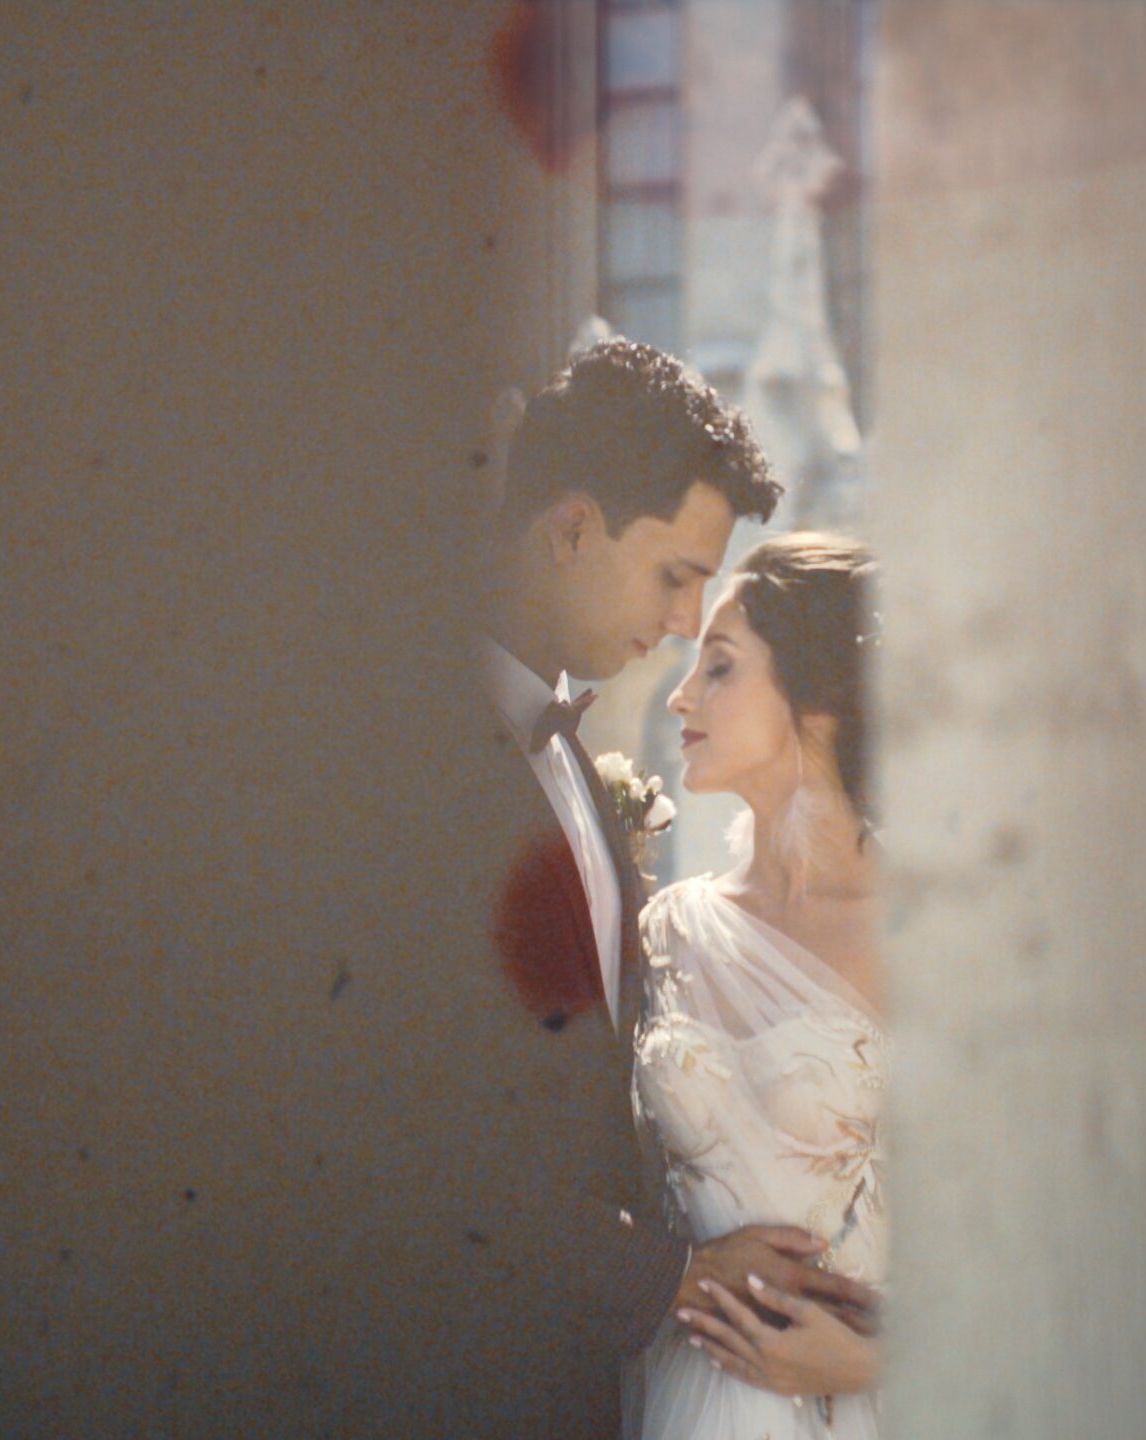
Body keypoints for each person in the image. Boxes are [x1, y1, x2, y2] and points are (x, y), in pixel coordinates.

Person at [453, 341, 876, 1435]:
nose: (685, 625)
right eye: (676, 577)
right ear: (572, 529)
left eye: (720, 649)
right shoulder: (411, 772)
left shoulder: (578, 779)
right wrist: (673, 1280)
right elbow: (413, 1140)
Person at [634, 532, 889, 1438]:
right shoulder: (669, 931)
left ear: (818, 700)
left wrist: (872, 1361)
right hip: (683, 1401)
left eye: (720, 667)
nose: (681, 695)